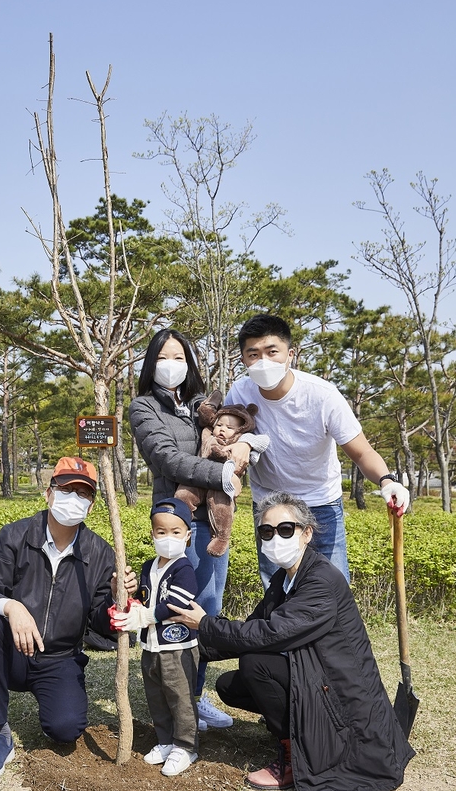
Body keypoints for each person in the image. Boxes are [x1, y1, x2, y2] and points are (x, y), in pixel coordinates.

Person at [167, 492, 415, 791]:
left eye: (286, 529)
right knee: (229, 686)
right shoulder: (287, 579)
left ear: (306, 532)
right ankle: (295, 729)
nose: (275, 538)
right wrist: (187, 643)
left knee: (256, 664)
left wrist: (205, 624)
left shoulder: (320, 581)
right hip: (316, 680)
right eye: (266, 532)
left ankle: (293, 757)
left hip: (344, 703)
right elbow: (251, 626)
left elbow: (268, 634)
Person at [0, 456, 137, 778]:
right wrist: (12, 607)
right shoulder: (15, 537)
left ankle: (53, 706)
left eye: (83, 493)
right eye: (66, 488)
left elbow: (102, 625)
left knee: (66, 729)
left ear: (92, 505)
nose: (73, 498)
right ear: (48, 493)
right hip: (13, 651)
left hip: (59, 658)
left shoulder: (100, 553)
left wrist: (118, 597)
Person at [129, 328, 262, 732]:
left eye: (180, 357)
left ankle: (194, 697)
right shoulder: (143, 407)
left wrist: (246, 446)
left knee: (207, 608)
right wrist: (223, 472)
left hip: (213, 522)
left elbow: (241, 433)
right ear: (151, 363)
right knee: (172, 605)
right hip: (176, 518)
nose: (173, 365)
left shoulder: (200, 406)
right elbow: (167, 459)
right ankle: (174, 700)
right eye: (165, 357)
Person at [224, 313, 410, 586]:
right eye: (253, 354)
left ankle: (336, 631)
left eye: (272, 352)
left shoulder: (322, 395)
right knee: (278, 588)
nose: (263, 361)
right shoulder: (239, 393)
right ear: (243, 360)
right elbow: (226, 437)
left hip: (320, 502)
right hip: (269, 505)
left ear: (290, 354)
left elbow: (361, 452)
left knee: (333, 587)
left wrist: (387, 480)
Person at [113, 498, 200, 776]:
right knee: (156, 696)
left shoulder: (185, 569)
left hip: (178, 647)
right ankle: (165, 740)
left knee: (180, 696)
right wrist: (130, 594)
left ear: (187, 535)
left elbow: (175, 604)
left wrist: (146, 617)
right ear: (152, 533)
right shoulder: (150, 565)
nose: (168, 538)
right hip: (150, 646)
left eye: (176, 532)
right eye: (161, 532)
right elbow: (144, 596)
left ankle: (185, 746)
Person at [175, 398, 268, 557]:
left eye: (229, 427)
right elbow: (204, 414)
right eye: (219, 425)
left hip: (223, 486)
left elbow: (264, 441)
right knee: (183, 495)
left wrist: (246, 444)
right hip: (200, 477)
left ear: (240, 430)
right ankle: (178, 526)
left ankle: (221, 538)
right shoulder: (207, 434)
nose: (222, 429)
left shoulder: (240, 441)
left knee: (222, 510)